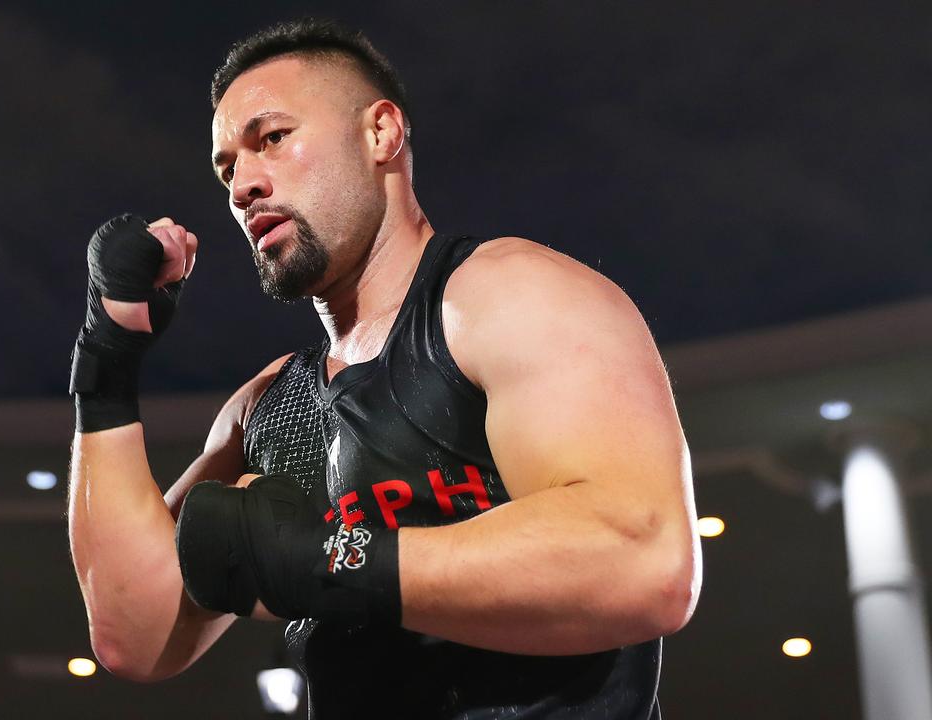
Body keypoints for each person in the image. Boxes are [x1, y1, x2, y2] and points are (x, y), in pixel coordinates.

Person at [67, 18, 701, 719]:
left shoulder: (507, 297)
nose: (243, 185)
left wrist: (331, 560)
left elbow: (646, 563)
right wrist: (107, 360)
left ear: (381, 134)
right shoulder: (270, 406)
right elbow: (136, 632)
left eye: (271, 138)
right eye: (226, 168)